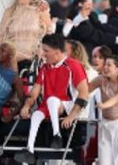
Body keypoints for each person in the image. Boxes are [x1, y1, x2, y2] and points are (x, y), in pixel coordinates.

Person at [16, 34, 90, 164]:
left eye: (46, 51)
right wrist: (26, 106)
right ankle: (29, 149)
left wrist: (71, 116)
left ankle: (57, 135)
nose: (43, 54)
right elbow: (34, 92)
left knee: (52, 100)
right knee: (37, 114)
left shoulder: (73, 65)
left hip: (67, 106)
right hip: (50, 107)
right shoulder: (45, 67)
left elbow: (84, 94)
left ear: (57, 52)